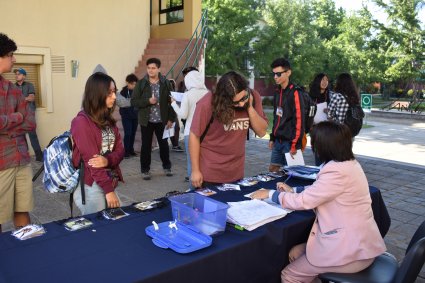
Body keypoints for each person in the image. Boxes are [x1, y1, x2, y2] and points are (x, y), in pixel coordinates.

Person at [251, 121, 386, 282]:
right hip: (357, 242)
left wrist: (269, 194)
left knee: (289, 275)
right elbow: (320, 190)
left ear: (323, 146)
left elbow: (304, 202)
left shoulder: (336, 171)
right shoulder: (348, 164)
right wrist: (292, 190)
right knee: (294, 253)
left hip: (351, 250)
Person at [190, 71, 268, 188]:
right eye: (236, 102)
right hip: (210, 174)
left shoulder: (253, 97)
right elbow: (194, 135)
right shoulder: (207, 103)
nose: (241, 104)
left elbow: (262, 132)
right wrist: (195, 170)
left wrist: (250, 107)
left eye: (244, 98)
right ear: (225, 99)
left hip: (236, 173)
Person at [70, 72, 125, 215]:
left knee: (115, 222)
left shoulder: (108, 120)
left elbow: (121, 151)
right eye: (109, 93)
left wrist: (107, 160)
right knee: (97, 229)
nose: (114, 97)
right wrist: (108, 190)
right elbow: (92, 162)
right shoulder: (81, 122)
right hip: (92, 186)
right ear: (97, 94)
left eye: (114, 92)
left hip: (108, 181)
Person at [0, 33, 36, 232]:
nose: (14, 59)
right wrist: (16, 118)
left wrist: (7, 124)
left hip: (21, 159)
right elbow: (22, 118)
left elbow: (30, 122)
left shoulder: (12, 89)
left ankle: (27, 253)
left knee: (22, 211)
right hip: (1, 164)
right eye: (10, 54)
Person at [131, 57, 176, 180]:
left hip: (162, 120)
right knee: (145, 146)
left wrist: (171, 119)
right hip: (147, 120)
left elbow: (172, 101)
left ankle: (167, 167)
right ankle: (145, 170)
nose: (150, 70)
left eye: (153, 68)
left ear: (158, 69)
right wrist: (148, 101)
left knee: (164, 145)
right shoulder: (141, 83)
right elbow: (134, 102)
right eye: (149, 68)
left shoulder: (166, 83)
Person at [170, 70, 209, 187]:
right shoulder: (208, 93)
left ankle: (194, 189)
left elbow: (183, 115)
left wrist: (173, 103)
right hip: (206, 133)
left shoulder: (188, 94)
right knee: (205, 161)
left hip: (191, 132)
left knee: (192, 162)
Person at [269, 58, 304, 172]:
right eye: (274, 74)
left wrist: (295, 144)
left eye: (278, 74)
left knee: (293, 175)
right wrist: (272, 138)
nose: (275, 77)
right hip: (277, 142)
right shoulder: (277, 92)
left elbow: (300, 120)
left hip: (290, 143)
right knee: (273, 172)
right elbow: (276, 117)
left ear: (288, 72)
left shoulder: (296, 93)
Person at [14, 68, 44, 162]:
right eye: (16, 74)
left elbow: (31, 98)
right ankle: (24, 156)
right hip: (18, 114)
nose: (16, 75)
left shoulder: (29, 85)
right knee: (20, 136)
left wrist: (21, 100)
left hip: (29, 114)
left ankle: (39, 156)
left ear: (24, 76)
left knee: (32, 135)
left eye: (19, 74)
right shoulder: (12, 86)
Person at [309, 73, 332, 165]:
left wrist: (329, 112)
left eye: (326, 80)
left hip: (328, 127)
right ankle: (320, 172)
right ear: (318, 81)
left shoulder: (330, 95)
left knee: (328, 152)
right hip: (315, 128)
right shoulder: (311, 95)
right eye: (322, 80)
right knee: (318, 152)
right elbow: (308, 111)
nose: (325, 82)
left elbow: (334, 111)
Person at [116, 74, 139, 158]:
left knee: (133, 133)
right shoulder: (123, 92)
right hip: (126, 116)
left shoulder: (138, 91)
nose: (134, 85)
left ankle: (131, 150)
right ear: (128, 83)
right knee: (128, 133)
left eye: (135, 84)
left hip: (135, 116)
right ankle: (125, 152)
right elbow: (121, 104)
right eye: (132, 84)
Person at [167, 78, 184, 152]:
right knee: (169, 129)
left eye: (173, 84)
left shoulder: (175, 93)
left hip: (174, 113)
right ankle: (174, 145)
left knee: (177, 128)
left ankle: (175, 145)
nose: (172, 85)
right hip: (167, 113)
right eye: (170, 84)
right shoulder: (165, 92)